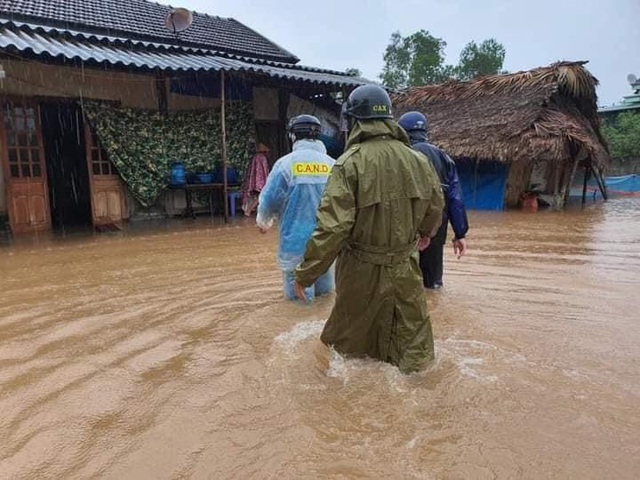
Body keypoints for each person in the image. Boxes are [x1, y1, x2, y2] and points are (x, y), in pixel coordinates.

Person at [293, 85, 445, 374]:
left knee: (347, 353)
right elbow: (435, 207)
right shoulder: (419, 161)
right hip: (405, 268)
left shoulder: (350, 164)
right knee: (414, 352)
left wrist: (307, 273)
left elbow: (332, 228)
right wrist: (424, 234)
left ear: (353, 121)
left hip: (360, 272)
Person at [256, 114, 336, 302]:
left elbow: (269, 200)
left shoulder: (286, 165)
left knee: (298, 307)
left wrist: (263, 221)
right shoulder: (332, 164)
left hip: (295, 246)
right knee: (325, 299)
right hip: (326, 244)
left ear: (292, 136)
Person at [398, 111, 469, 289]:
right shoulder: (445, 158)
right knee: (433, 285)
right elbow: (456, 199)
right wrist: (460, 233)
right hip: (437, 227)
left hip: (404, 229)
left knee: (403, 282)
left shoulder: (399, 155)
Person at [241, 142, 271, 216]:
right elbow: (264, 171)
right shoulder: (262, 158)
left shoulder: (255, 157)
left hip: (254, 181)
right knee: (258, 196)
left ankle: (250, 210)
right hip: (260, 181)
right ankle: (248, 211)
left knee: (256, 196)